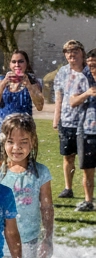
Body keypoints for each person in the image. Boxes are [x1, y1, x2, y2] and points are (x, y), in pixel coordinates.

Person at [0, 114, 53, 258]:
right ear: (4, 141)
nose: (16, 148)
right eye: (10, 142)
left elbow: (46, 207)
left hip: (27, 239)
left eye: (23, 142)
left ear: (33, 142)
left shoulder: (40, 173)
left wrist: (48, 237)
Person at [53, 39, 88, 202]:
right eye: (67, 51)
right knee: (68, 156)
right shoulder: (62, 72)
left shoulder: (90, 71)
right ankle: (68, 188)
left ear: (82, 52)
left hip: (87, 122)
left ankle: (88, 191)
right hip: (66, 121)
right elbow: (58, 97)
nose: (71, 54)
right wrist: (56, 118)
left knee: (87, 158)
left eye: (75, 50)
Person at [65, 46, 96, 212]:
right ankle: (88, 201)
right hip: (85, 131)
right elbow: (72, 101)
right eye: (90, 65)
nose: (92, 68)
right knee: (87, 170)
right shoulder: (82, 79)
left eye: (95, 65)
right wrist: (87, 94)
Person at [0, 50, 44, 136]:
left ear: (27, 63)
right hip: (1, 126)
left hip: (23, 127)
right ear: (10, 64)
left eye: (21, 61)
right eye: (13, 62)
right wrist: (4, 82)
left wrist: (28, 85)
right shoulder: (1, 80)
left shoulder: (33, 81)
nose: (17, 65)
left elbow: (40, 106)